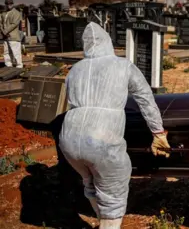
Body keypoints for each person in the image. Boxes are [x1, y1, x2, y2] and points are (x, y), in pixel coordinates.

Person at [59, 22, 171, 229]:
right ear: (108, 43)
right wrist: (158, 131)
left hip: (69, 138)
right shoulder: (123, 65)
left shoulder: (74, 70)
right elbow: (145, 99)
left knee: (89, 182)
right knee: (113, 192)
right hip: (103, 137)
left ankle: (102, 220)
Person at [0, 0, 23, 68]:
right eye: (7, 3)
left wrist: (5, 31)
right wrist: (3, 32)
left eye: (10, 3)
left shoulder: (17, 13)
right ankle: (8, 66)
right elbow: (0, 23)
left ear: (13, 4)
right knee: (6, 52)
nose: (8, 5)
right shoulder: (3, 13)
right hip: (5, 36)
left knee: (16, 52)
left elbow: (14, 24)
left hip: (13, 36)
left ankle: (19, 66)